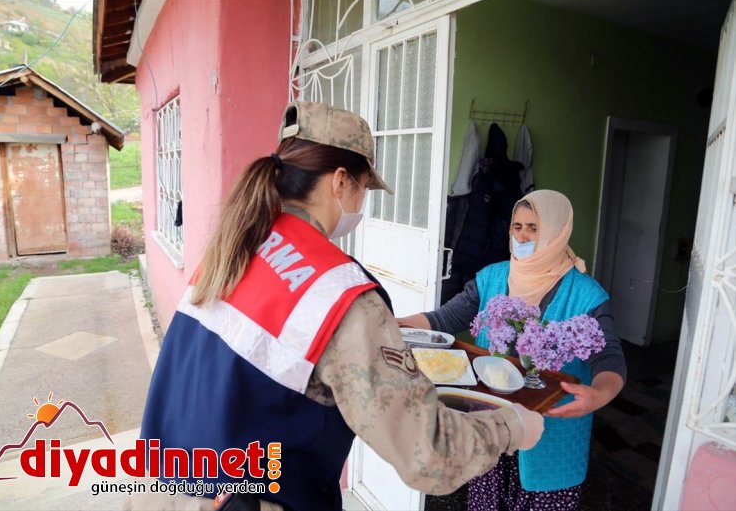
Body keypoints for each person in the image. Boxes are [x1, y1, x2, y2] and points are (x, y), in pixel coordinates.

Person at [124, 102, 544, 511]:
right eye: (363, 187)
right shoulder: (339, 292)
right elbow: (427, 455)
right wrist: (512, 427)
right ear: (341, 181)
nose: (362, 201)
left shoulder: (236, 244)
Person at [399, 189, 626, 511]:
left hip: (551, 434)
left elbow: (609, 358)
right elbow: (445, 319)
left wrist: (601, 394)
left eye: (533, 228)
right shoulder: (492, 277)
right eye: (516, 227)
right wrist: (391, 323)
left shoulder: (586, 294)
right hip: (492, 422)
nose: (522, 235)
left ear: (557, 231)